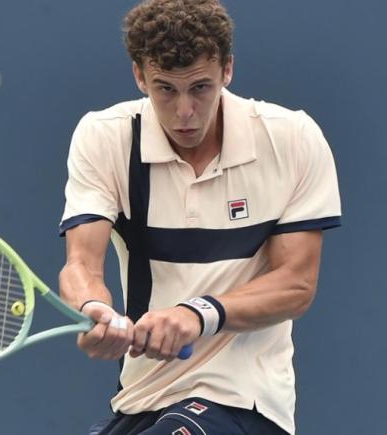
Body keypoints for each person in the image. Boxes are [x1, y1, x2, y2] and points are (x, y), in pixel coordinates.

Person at [58, 0, 341, 433]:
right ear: (139, 76)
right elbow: (82, 263)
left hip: (246, 402)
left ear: (227, 70)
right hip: (141, 398)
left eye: (201, 88)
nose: (184, 111)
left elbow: (297, 284)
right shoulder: (104, 137)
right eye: (165, 89)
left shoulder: (292, 138)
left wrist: (197, 313)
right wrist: (94, 307)